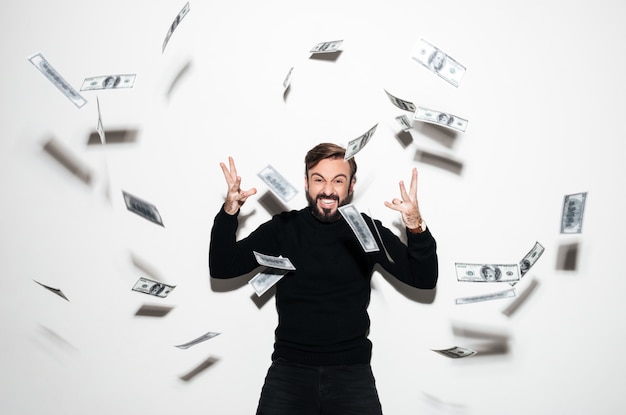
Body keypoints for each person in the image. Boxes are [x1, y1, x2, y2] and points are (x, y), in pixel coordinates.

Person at [209, 142, 438, 414]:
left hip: (352, 373)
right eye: (319, 179)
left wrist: (415, 225)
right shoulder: (284, 229)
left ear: (351, 186)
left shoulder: (366, 230)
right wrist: (229, 212)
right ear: (306, 183)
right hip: (289, 372)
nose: (328, 190)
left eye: (338, 180)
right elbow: (222, 267)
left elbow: (423, 278)